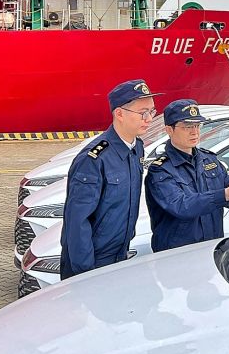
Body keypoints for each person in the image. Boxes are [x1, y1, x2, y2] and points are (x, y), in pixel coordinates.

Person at [59, 79, 156, 280]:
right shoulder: (94, 158)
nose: (149, 119)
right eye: (142, 113)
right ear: (119, 114)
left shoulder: (136, 148)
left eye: (152, 111)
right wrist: (86, 273)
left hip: (119, 254)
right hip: (93, 261)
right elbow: (77, 221)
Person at [145, 99, 229, 252]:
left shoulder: (209, 160)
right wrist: (225, 194)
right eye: (187, 127)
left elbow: (228, 187)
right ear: (169, 130)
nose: (194, 132)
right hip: (177, 253)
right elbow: (181, 206)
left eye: (197, 125)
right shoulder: (160, 170)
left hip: (211, 248)